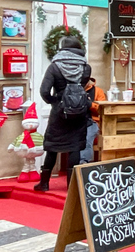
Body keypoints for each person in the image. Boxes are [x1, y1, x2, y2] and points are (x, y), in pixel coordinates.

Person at [35, 36, 93, 192]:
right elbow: (82, 87)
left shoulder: (54, 67)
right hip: (79, 111)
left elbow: (44, 91)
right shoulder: (85, 67)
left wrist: (55, 102)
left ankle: (44, 184)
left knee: (52, 146)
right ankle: (71, 186)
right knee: (75, 146)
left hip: (60, 112)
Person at [80, 78, 107, 164]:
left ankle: (83, 162)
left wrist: (90, 104)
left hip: (92, 121)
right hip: (75, 121)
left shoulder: (97, 91)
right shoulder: (72, 90)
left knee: (87, 138)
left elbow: (102, 109)